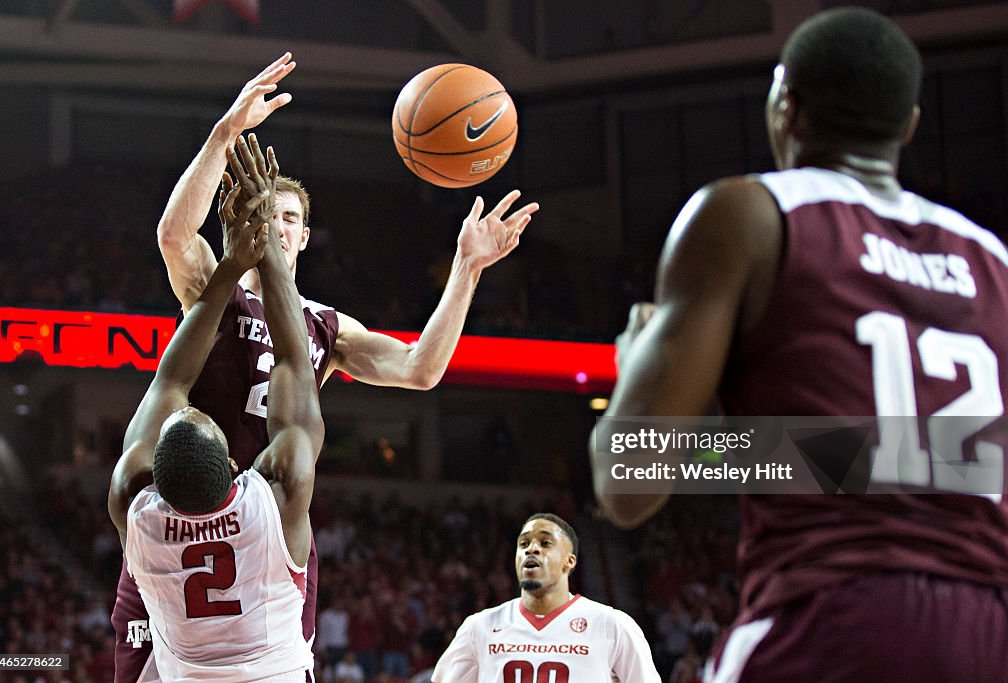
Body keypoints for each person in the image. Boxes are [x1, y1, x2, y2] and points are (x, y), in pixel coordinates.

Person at [591, 7, 1008, 681]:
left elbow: (630, 479)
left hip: (829, 615)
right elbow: (871, 456)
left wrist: (638, 363)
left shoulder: (750, 214)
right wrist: (787, 452)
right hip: (990, 631)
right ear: (907, 126)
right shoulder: (994, 262)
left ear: (783, 105)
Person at [112, 54, 539, 681]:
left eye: (290, 219)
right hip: (179, 516)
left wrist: (466, 270)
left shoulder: (325, 327)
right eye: (269, 213)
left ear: (306, 237)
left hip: (268, 533)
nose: (277, 227)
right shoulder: (215, 289)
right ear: (245, 218)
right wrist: (225, 133)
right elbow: (175, 235)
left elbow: (421, 369)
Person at [108, 146, 325, 680]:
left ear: (153, 474)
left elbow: (172, 380)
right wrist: (264, 253)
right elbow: (294, 362)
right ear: (236, 467)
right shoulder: (270, 507)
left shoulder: (137, 511)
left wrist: (229, 266)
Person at [431, 513, 660, 682]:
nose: (532, 549)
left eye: (545, 542)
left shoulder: (612, 625)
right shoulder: (479, 627)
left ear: (569, 561)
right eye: (524, 544)